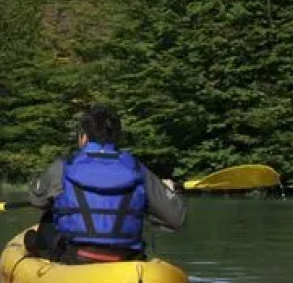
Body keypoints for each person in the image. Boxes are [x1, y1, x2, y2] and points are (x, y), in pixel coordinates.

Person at [23, 105, 186, 263]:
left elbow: (37, 201)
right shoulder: (138, 169)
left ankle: (43, 262)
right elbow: (176, 219)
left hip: (75, 256)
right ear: (117, 136)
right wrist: (169, 192)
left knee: (49, 216)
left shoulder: (63, 166)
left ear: (84, 136)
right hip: (127, 258)